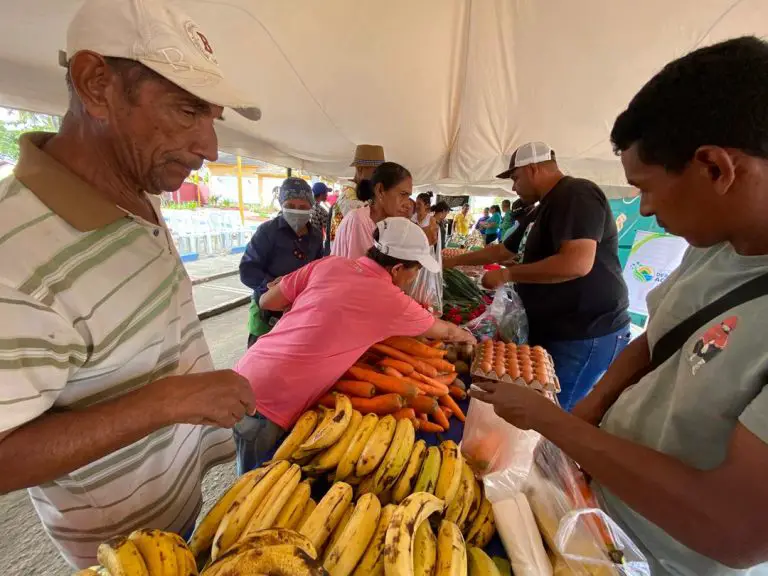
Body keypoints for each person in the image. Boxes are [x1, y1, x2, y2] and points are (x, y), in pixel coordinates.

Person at [473, 36, 768, 575]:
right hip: (595, 512)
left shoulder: (579, 197)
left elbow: (737, 530)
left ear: (716, 168)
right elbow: (658, 336)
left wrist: (558, 425)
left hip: (664, 560)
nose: (645, 211)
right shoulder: (718, 248)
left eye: (645, 189)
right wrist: (593, 407)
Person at [0, 0, 258, 568]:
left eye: (211, 117)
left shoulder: (136, 188)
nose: (211, 147)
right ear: (97, 85)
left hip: (178, 503)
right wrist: (169, 400)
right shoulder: (13, 253)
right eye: (187, 111)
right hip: (117, 551)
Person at [234, 217, 476, 472]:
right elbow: (445, 330)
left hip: (249, 368)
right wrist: (468, 337)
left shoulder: (329, 264)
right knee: (254, 488)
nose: (415, 277)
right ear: (397, 269)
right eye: (416, 270)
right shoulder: (391, 300)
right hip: (271, 398)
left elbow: (267, 302)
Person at [447, 142, 630, 410]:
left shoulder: (576, 194)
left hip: (583, 333)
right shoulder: (541, 208)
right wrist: (450, 262)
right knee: (536, 410)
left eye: (515, 178)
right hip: (557, 331)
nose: (513, 187)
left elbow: (577, 262)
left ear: (532, 169)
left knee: (552, 414)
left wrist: (508, 275)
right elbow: (501, 250)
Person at [240, 178, 324, 347]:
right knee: (259, 362)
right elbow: (248, 270)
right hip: (266, 313)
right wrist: (273, 289)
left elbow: (318, 269)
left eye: (302, 207)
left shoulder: (315, 236)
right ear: (282, 205)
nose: (296, 211)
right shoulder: (267, 232)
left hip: (298, 312)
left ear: (311, 207)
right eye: (291, 206)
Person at [331, 162, 413, 260]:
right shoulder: (358, 219)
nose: (408, 204)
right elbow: (361, 271)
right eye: (403, 194)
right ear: (380, 190)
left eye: (408, 196)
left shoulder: (391, 223)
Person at [328, 144, 386, 250]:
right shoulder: (351, 201)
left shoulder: (356, 195)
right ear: (360, 169)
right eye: (375, 172)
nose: (379, 179)